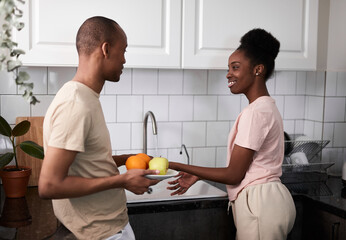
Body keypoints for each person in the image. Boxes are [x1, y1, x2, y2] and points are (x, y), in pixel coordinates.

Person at [168, 28, 296, 240]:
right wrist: (197, 174)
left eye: (235, 67)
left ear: (258, 70)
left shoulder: (255, 113)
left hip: (260, 205)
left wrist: (176, 165)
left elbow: (234, 174)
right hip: (268, 202)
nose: (228, 74)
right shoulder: (264, 107)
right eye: (229, 68)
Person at [38, 16, 159, 240]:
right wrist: (122, 180)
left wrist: (125, 159)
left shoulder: (84, 97)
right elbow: (49, 185)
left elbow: (83, 165)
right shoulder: (76, 104)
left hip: (105, 229)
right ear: (106, 49)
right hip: (102, 234)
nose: (124, 60)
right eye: (123, 50)